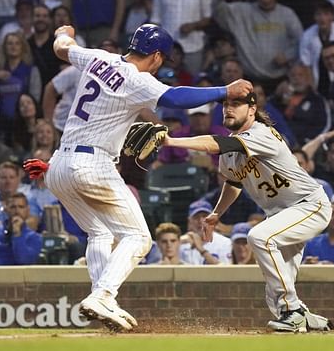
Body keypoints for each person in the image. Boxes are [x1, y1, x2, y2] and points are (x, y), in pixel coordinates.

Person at [31, 23, 252, 331]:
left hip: (58, 165)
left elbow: (62, 47)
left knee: (100, 234)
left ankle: (101, 298)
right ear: (158, 56)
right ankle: (104, 295)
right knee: (139, 237)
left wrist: (61, 32)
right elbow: (176, 98)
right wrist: (224, 91)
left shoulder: (99, 57)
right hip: (92, 164)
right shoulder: (138, 80)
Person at [161, 91, 333, 332]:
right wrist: (216, 214)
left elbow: (217, 144)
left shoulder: (261, 133)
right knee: (276, 294)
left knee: (259, 237)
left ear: (252, 110)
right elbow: (234, 183)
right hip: (281, 216)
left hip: (308, 205)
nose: (228, 109)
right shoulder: (230, 153)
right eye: (225, 105)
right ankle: (302, 317)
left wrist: (169, 141)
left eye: (236, 104)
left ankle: (293, 311)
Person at [0, 192, 43, 265]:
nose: (17, 211)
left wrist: (17, 235)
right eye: (13, 207)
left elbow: (24, 260)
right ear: (6, 209)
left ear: (28, 210)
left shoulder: (34, 238)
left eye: (21, 207)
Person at [179, 199, 232, 265]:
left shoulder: (225, 243)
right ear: (189, 222)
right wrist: (178, 241)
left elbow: (227, 272)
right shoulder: (180, 245)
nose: (201, 221)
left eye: (205, 216)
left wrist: (201, 249)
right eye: (196, 217)